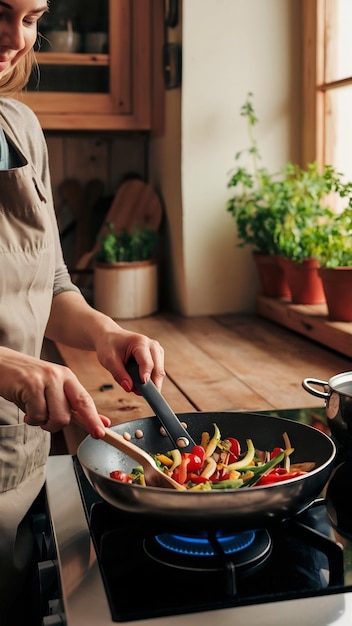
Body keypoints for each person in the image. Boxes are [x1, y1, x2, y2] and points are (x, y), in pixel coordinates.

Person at [0, 2, 165, 624]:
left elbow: (51, 282)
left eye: (30, 16)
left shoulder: (20, 126)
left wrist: (106, 332)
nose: (15, 38)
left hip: (18, 459)